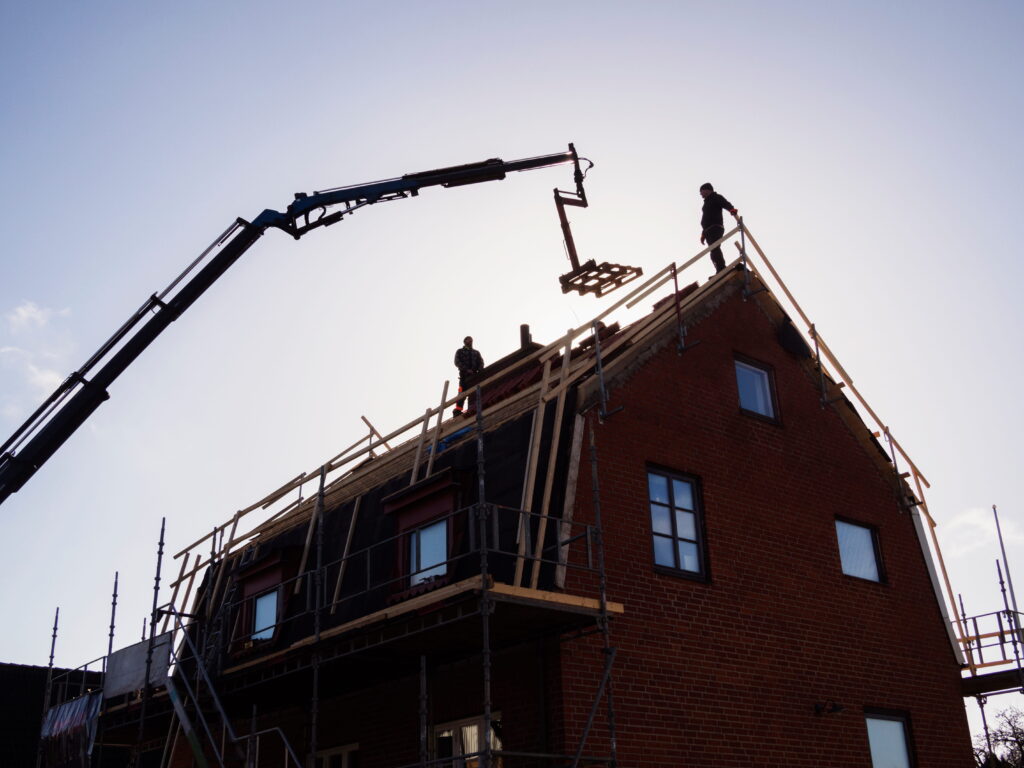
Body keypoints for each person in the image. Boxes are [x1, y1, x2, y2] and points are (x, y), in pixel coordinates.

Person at [699, 183, 738, 273]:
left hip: (715, 227)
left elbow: (725, 203)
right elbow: (706, 218)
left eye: (701, 191)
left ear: (707, 190)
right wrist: (703, 234)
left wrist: (731, 209)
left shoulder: (715, 197)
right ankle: (719, 269)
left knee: (715, 249)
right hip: (708, 230)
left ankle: (721, 269)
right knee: (713, 251)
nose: (701, 194)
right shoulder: (706, 202)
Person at [453, 336, 483, 415]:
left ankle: (473, 408)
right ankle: (458, 411)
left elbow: (481, 362)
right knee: (461, 393)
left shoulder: (476, 352)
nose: (470, 341)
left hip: (474, 376)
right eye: (468, 339)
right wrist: (466, 369)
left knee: (474, 392)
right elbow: (457, 362)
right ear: (465, 341)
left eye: (471, 339)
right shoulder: (460, 351)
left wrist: (479, 370)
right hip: (464, 376)